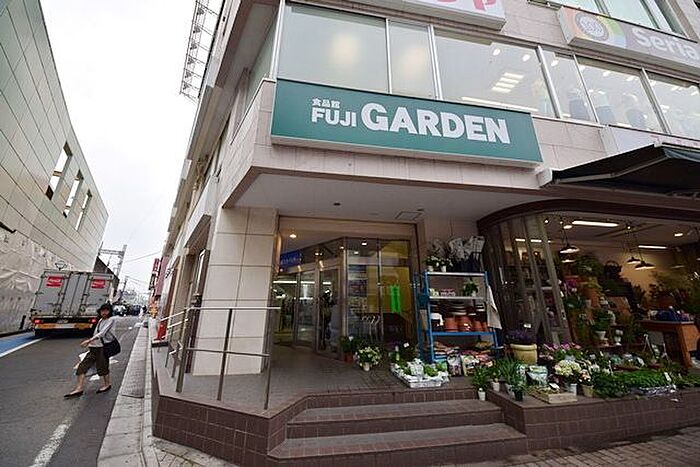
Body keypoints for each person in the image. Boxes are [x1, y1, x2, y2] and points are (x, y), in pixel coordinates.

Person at [64, 303, 116, 397]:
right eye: (102, 311)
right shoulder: (100, 320)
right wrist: (91, 343)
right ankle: (79, 388)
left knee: (103, 367)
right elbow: (96, 333)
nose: (104, 313)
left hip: (103, 348)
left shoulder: (111, 320)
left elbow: (102, 333)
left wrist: (88, 341)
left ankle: (107, 384)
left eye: (106, 311)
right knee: (82, 367)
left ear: (110, 311)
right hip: (93, 347)